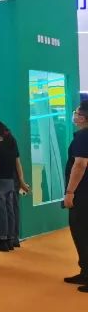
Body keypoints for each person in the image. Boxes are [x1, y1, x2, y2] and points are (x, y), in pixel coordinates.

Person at [0, 118, 29, 251]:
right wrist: (21, 181)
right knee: (10, 210)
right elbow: (17, 162)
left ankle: (1, 239)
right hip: (10, 181)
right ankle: (11, 238)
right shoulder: (11, 142)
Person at [63, 100, 88, 290]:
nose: (75, 116)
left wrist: (70, 192)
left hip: (82, 193)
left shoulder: (83, 137)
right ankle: (85, 272)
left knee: (81, 232)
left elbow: (79, 164)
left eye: (78, 113)